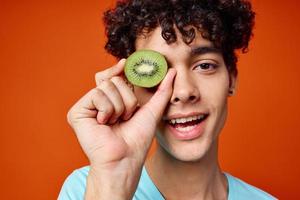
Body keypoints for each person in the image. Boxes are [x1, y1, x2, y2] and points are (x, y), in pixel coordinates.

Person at [59, 0, 277, 199]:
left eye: (204, 65)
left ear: (231, 78)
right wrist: (112, 183)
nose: (183, 92)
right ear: (131, 86)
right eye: (157, 71)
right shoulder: (86, 189)